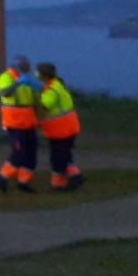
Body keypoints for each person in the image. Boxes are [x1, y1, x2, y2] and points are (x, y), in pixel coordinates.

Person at [36, 62, 84, 192]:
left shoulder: (51, 91)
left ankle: (59, 184)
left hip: (60, 130)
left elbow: (44, 106)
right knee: (65, 155)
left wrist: (32, 101)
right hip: (69, 127)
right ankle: (75, 177)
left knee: (57, 158)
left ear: (43, 75)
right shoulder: (58, 85)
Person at [0, 55, 40, 193]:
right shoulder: (5, 77)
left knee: (31, 153)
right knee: (19, 152)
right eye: (25, 66)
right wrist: (19, 82)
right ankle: (3, 176)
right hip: (14, 122)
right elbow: (5, 93)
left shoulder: (28, 78)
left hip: (29, 121)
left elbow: (35, 98)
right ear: (17, 66)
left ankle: (23, 182)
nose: (29, 68)